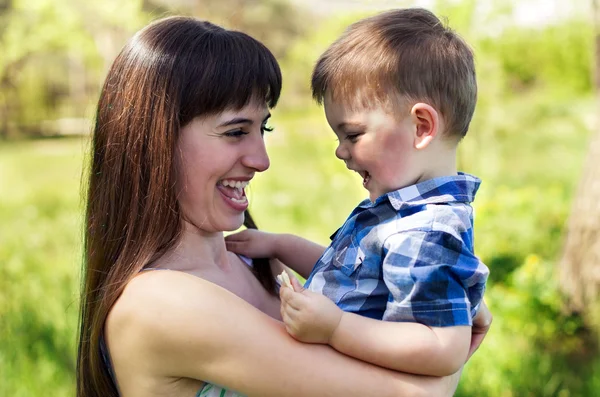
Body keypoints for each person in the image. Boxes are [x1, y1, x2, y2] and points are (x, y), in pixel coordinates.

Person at [76, 15, 491, 397]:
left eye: (263, 128)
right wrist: (452, 320)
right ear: (156, 141)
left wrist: (437, 303)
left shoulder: (256, 266)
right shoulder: (161, 302)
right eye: (236, 131)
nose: (262, 160)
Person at [226, 8, 489, 377]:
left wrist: (335, 328)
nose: (340, 151)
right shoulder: (401, 213)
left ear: (421, 126)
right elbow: (355, 278)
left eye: (353, 135)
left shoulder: (427, 231)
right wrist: (281, 245)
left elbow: (443, 349)